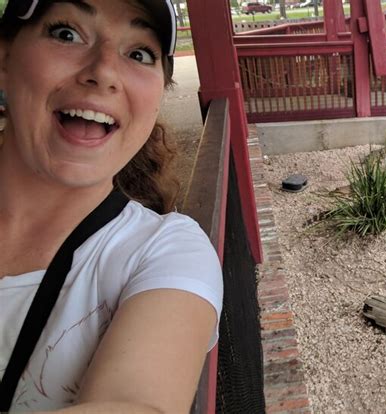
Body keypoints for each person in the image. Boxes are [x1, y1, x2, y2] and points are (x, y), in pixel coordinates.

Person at [0, 0, 223, 412]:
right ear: (4, 58)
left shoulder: (164, 252)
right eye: (67, 33)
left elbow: (139, 403)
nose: (103, 72)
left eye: (138, 53)